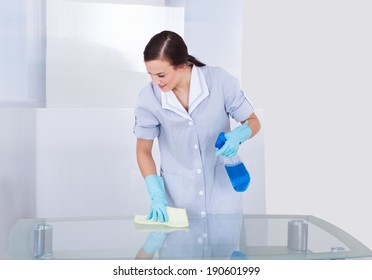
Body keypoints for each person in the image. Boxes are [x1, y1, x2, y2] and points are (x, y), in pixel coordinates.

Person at [133, 30, 261, 222]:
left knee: (225, 249)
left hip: (222, 196)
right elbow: (143, 151)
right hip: (179, 197)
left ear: (182, 66)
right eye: (150, 74)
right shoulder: (148, 97)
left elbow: (253, 122)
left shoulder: (219, 80)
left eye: (161, 74)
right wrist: (156, 194)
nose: (155, 81)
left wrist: (238, 135)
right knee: (181, 250)